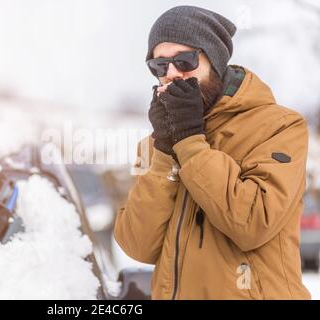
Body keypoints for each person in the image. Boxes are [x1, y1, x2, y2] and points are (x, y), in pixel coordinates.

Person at [114, 5, 311, 300]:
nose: (171, 75)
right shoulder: (155, 145)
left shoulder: (280, 126)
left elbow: (253, 224)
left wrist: (191, 141)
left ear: (215, 61)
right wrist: (166, 153)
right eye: (159, 66)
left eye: (184, 60)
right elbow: (137, 245)